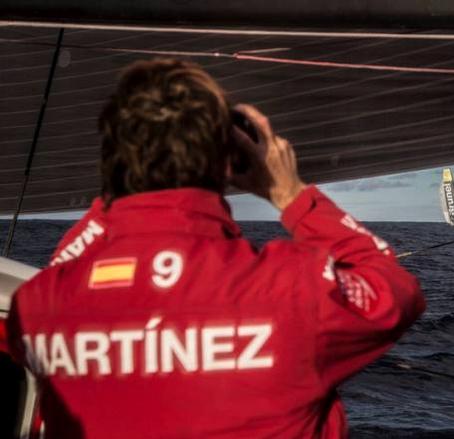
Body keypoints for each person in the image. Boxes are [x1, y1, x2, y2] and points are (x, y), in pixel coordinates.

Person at [7, 58, 425, 438]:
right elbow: (394, 288)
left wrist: (121, 191)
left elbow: (60, 274)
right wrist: (292, 195)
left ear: (113, 157)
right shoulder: (295, 288)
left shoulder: (39, 307)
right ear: (227, 161)